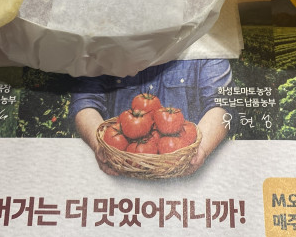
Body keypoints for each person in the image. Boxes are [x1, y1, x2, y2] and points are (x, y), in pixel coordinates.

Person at [70, 59, 232, 176]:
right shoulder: (104, 46)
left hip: (190, 178)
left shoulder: (206, 46)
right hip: (118, 175)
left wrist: (201, 149)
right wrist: (100, 146)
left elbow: (222, 104)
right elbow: (84, 102)